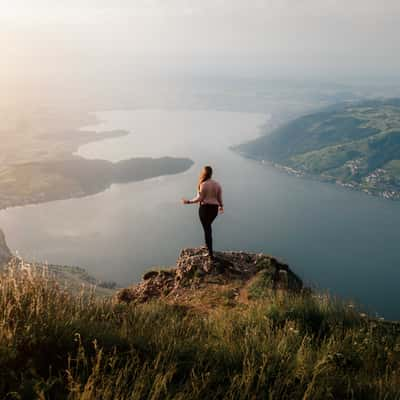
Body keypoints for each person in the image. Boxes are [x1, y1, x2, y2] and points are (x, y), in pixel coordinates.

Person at [181, 166, 224, 260]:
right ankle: (208, 249)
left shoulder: (203, 184)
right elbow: (219, 198)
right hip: (214, 210)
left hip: (204, 209)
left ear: (204, 173)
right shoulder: (217, 184)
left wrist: (188, 202)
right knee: (208, 229)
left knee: (207, 230)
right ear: (211, 173)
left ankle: (210, 253)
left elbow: (199, 199)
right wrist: (221, 206)